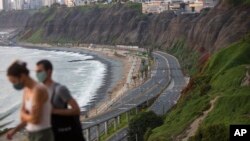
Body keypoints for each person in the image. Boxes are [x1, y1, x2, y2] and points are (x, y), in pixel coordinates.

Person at [36, 59, 85, 141]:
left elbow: (76, 110)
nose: (37, 74)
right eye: (37, 72)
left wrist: (54, 111)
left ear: (49, 71)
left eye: (40, 71)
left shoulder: (60, 89)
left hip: (64, 134)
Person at [6, 60, 54, 141]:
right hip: (32, 134)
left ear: (22, 76)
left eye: (14, 81)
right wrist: (14, 130)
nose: (14, 85)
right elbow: (24, 118)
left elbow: (35, 119)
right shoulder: (26, 90)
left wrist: (25, 114)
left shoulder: (38, 90)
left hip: (43, 135)